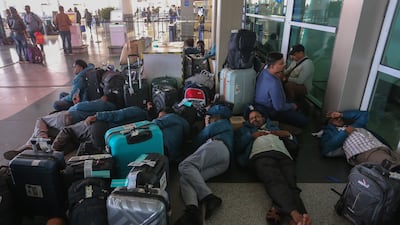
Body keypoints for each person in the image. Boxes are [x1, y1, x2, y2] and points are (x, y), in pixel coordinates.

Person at [235, 106, 312, 225]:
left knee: (291, 185)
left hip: (283, 155)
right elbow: (237, 147)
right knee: (275, 179)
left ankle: (289, 215)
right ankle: (296, 215)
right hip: (261, 155)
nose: (254, 119)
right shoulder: (245, 130)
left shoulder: (274, 127)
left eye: (257, 116)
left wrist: (288, 135)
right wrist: (250, 136)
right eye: (251, 118)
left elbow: (294, 145)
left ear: (263, 118)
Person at [3, 94, 119, 160]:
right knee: (49, 133)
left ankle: (34, 144)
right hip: (74, 127)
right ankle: (31, 148)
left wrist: (75, 104)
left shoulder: (102, 103)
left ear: (105, 97)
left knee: (41, 120)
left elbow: (80, 106)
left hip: (67, 117)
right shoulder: (111, 109)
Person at [174, 105, 234, 225]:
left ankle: (209, 197)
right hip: (223, 161)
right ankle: (192, 212)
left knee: (184, 165)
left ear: (215, 117)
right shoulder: (226, 126)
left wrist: (206, 125)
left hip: (218, 147)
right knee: (186, 178)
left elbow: (201, 137)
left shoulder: (222, 123)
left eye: (209, 117)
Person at [321, 110, 400, 170]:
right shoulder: (330, 132)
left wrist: (342, 114)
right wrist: (345, 133)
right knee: (393, 168)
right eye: (335, 119)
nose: (339, 119)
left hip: (381, 146)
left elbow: (364, 115)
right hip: (365, 152)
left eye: (339, 117)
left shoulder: (354, 126)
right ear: (329, 122)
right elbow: (326, 149)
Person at [254, 52, 309, 128]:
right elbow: (279, 107)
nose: (284, 65)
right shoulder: (273, 83)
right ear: (272, 66)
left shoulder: (264, 72)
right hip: (272, 110)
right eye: (281, 63)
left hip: (264, 104)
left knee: (297, 105)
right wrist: (291, 106)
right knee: (304, 120)